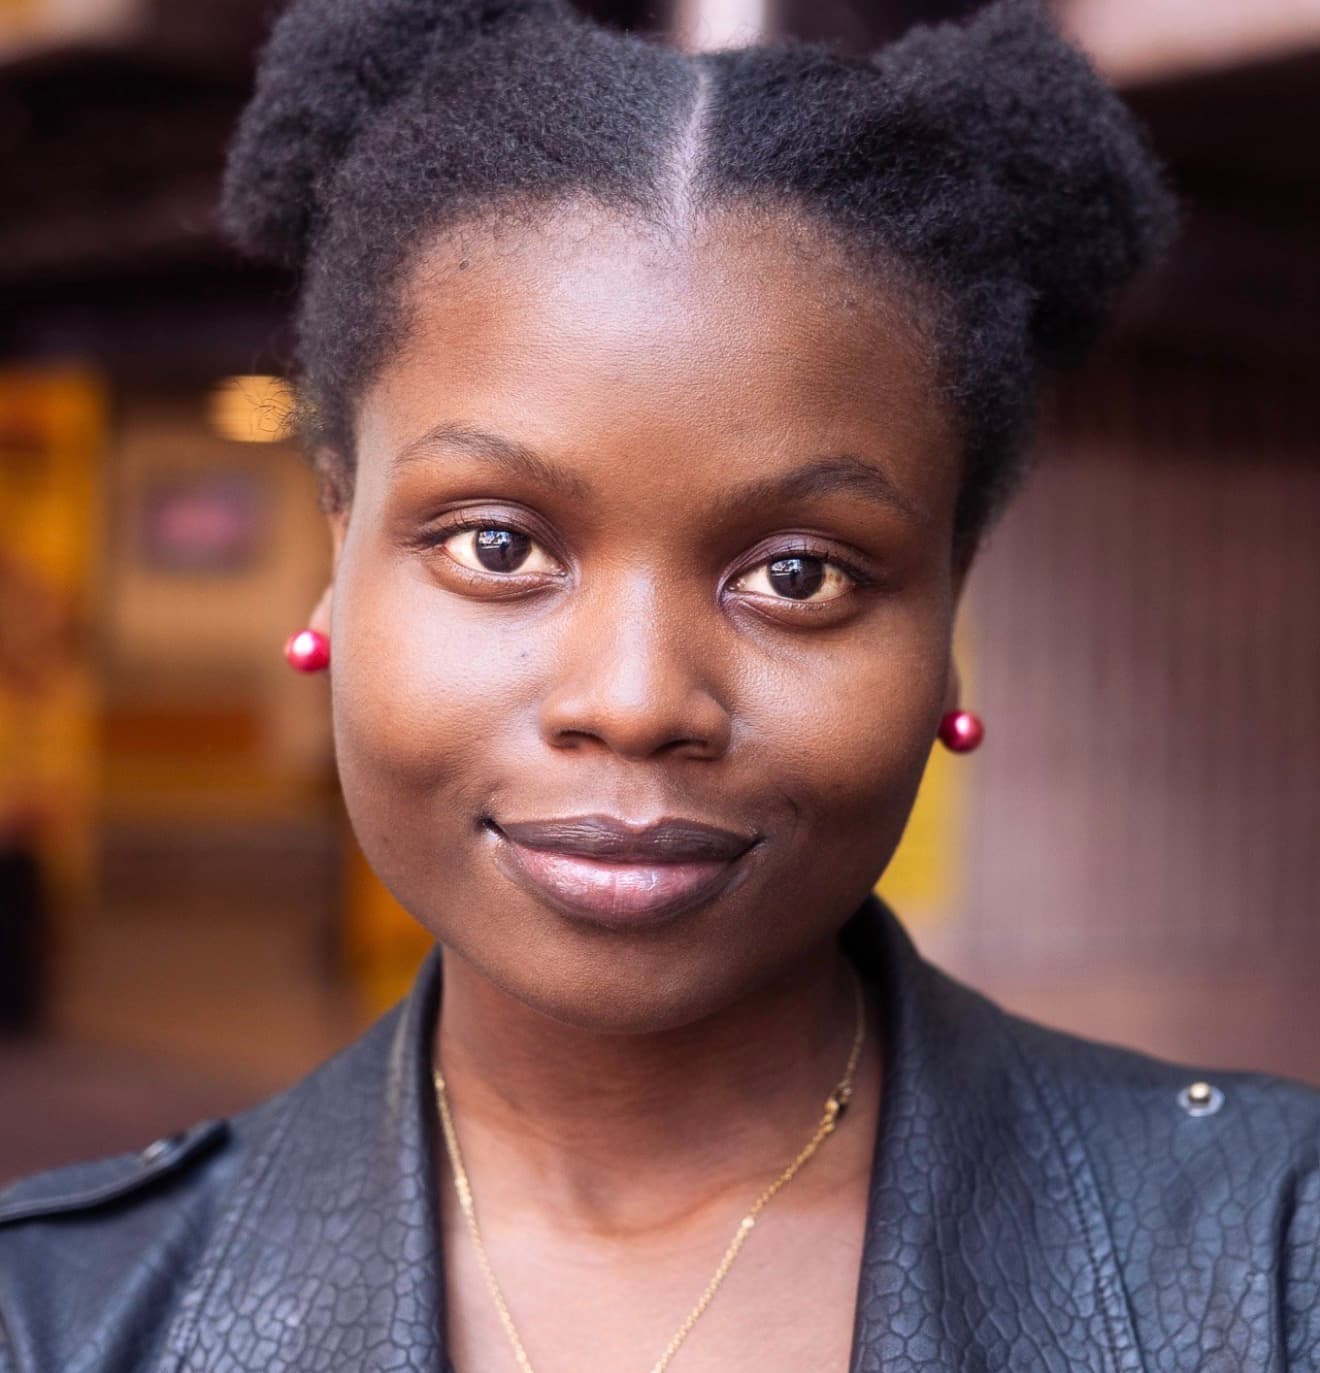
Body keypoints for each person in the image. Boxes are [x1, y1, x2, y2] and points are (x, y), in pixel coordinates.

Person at [2, 0, 1318, 1368]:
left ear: (948, 604)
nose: (634, 700)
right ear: (341, 549)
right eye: (498, 545)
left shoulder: (1272, 1262)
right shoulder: (54, 1315)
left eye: (798, 575)